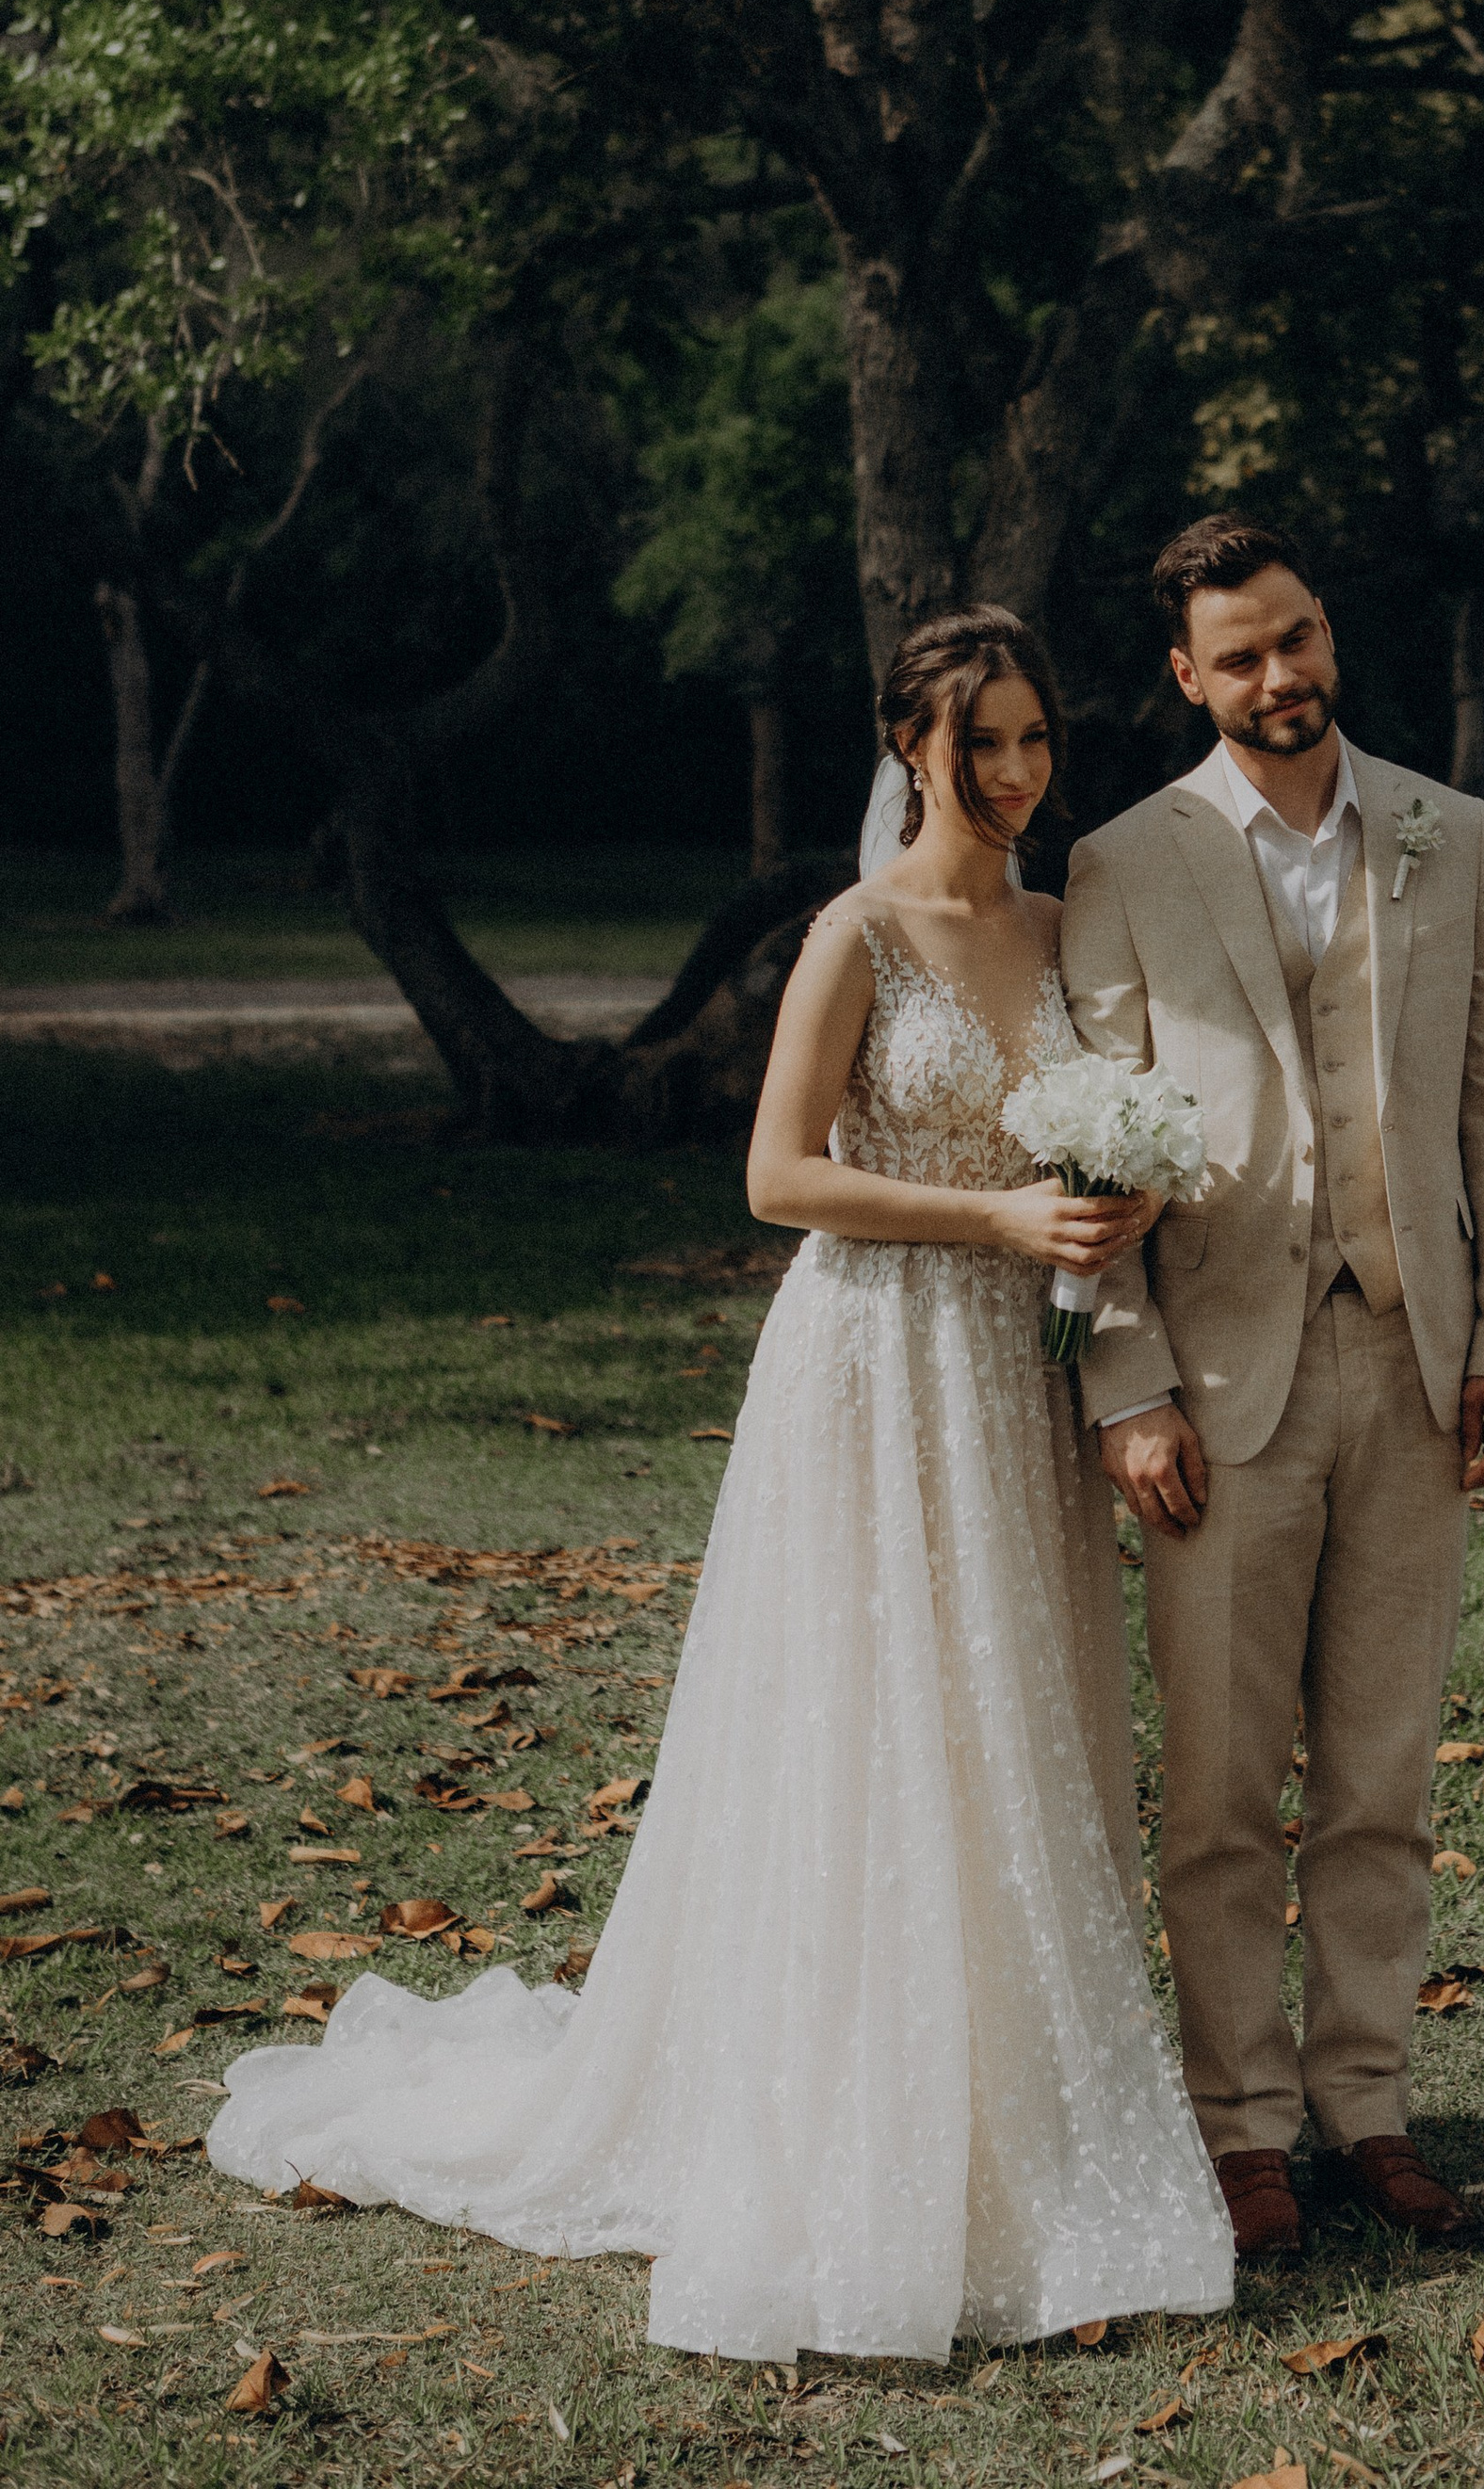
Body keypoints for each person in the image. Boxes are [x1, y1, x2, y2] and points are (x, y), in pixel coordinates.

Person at [209, 606, 1234, 2365]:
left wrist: (1106, 1209)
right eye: (979, 742)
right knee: (878, 1732)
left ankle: (1016, 2116)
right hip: (872, 1364)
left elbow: (1091, 1129)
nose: (1013, 774)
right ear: (909, 747)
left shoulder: (1073, 931)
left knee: (1017, 1729)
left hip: (1016, 1378)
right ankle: (850, 2126)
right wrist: (992, 1213)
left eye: (1036, 740)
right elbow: (774, 1176)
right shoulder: (855, 933)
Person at [1061, 514, 1484, 2261]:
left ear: (1327, 634)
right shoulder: (1125, 860)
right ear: (1188, 680)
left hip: (1416, 1366)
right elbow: (1092, 1141)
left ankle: (1370, 2106)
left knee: (1381, 1772)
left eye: (1302, 637)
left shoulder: (1451, 834)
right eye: (1243, 655)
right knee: (1216, 1786)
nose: (1284, 676)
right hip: (1215, 1376)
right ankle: (1239, 2127)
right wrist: (1126, 1388)